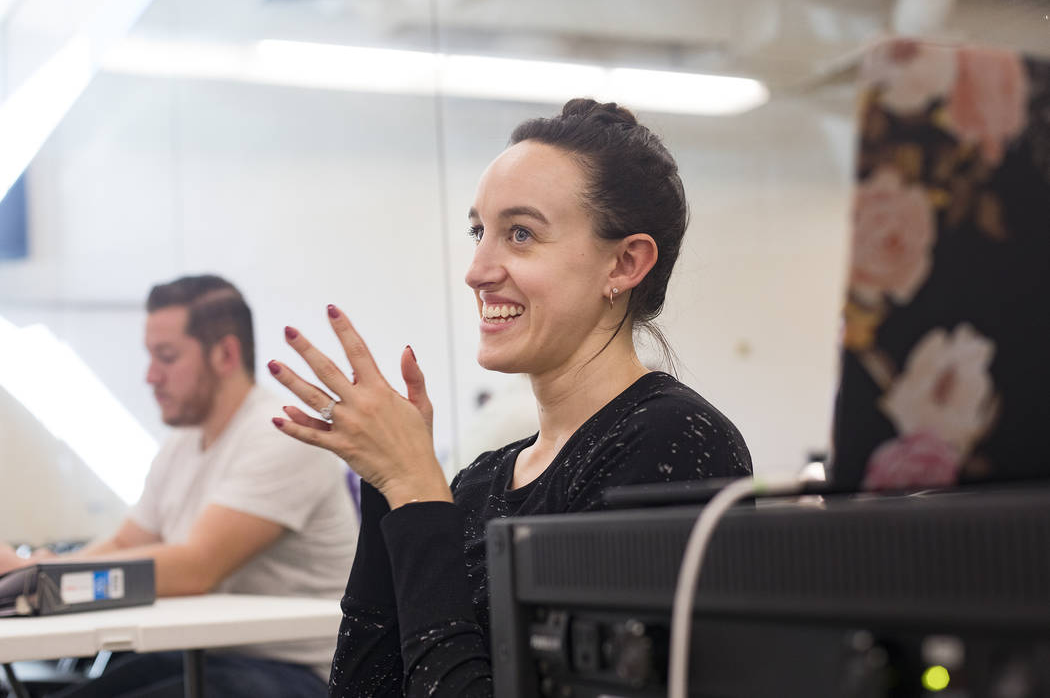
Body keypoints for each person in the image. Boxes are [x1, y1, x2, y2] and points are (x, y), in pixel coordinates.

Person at [267, 99, 752, 696]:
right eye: (479, 232)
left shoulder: (672, 444)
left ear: (625, 263)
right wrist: (388, 481)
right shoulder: (480, 484)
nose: (477, 269)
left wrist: (418, 493)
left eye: (520, 234)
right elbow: (366, 688)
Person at [0, 275, 359, 698]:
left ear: (225, 354)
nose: (150, 376)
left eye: (166, 357)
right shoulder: (181, 445)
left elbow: (195, 568)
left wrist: (37, 578)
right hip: (212, 652)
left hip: (301, 670)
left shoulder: (281, 432)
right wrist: (37, 574)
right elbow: (124, 544)